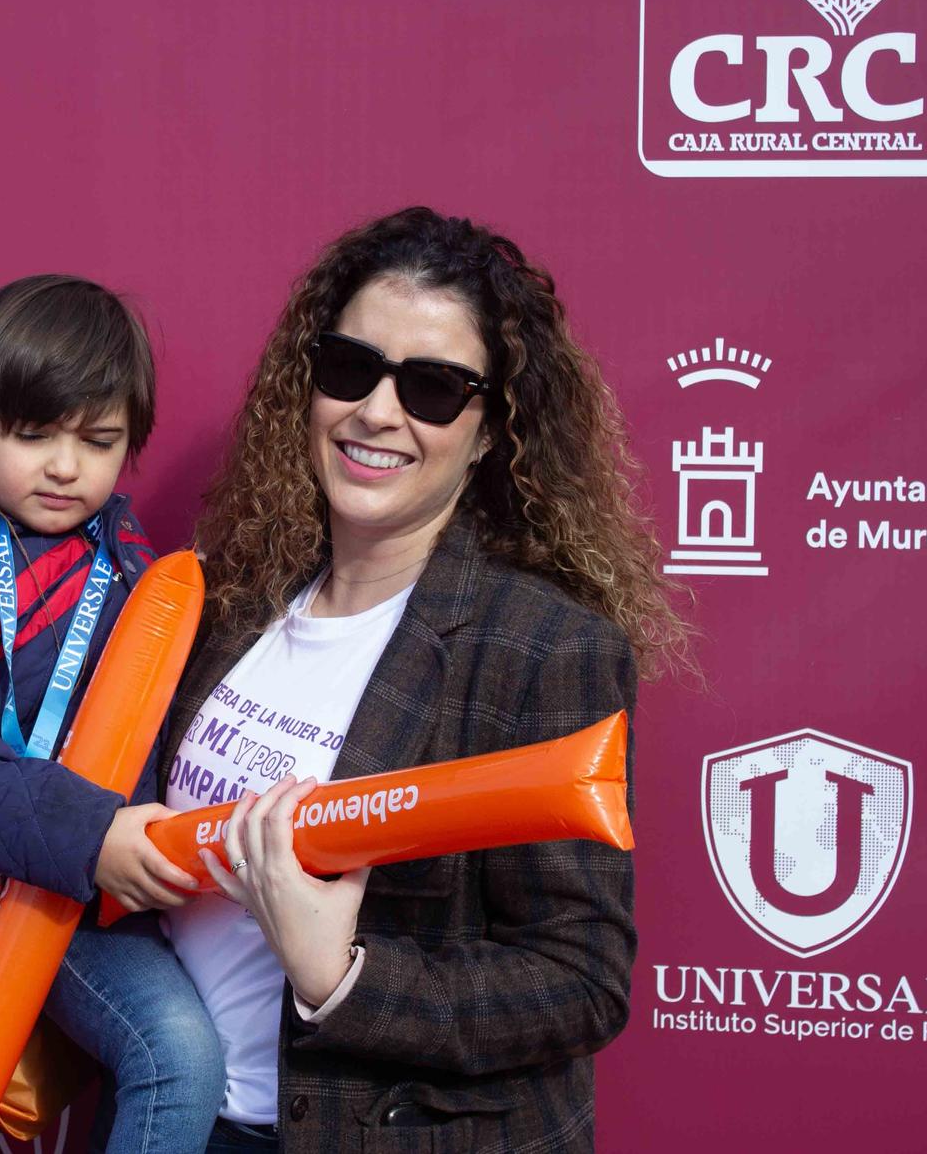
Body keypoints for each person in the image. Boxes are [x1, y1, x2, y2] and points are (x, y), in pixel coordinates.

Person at [163, 209, 692, 1153]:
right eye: (350, 367)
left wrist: (343, 975)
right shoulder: (233, 597)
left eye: (435, 388)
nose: (376, 411)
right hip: (184, 1120)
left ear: (490, 432)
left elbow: (580, 978)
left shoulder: (541, 648)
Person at [0, 275, 226, 1153]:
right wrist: (92, 834)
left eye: (98, 440)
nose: (66, 466)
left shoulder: (143, 568)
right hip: (17, 896)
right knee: (177, 1053)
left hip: (130, 897)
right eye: (33, 435)